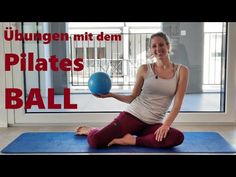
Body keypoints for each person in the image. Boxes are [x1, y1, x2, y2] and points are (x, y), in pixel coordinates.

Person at [75, 32, 189, 149]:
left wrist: (165, 125)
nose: (158, 49)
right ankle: (92, 130)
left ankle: (131, 140)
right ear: (150, 50)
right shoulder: (144, 69)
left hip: (153, 123)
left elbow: (177, 105)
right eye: (154, 46)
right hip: (132, 116)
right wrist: (111, 95)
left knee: (177, 137)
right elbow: (132, 97)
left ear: (168, 46)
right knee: (95, 141)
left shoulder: (182, 71)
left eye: (161, 45)